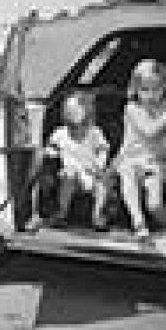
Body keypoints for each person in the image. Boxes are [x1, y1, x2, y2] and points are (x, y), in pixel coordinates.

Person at [114, 59, 166, 243]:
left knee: (155, 205)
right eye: (145, 90)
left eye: (156, 89)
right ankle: (138, 223)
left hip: (156, 163)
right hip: (131, 159)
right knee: (128, 176)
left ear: (165, 87)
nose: (151, 95)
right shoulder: (133, 109)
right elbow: (150, 131)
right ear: (135, 90)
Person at [43, 91, 111, 230]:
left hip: (90, 173)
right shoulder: (60, 133)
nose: (72, 113)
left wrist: (99, 165)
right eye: (69, 110)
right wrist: (51, 154)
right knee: (69, 175)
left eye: (77, 109)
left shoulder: (94, 132)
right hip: (71, 174)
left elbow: (103, 149)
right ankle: (62, 212)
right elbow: (51, 148)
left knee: (102, 183)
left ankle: (98, 215)